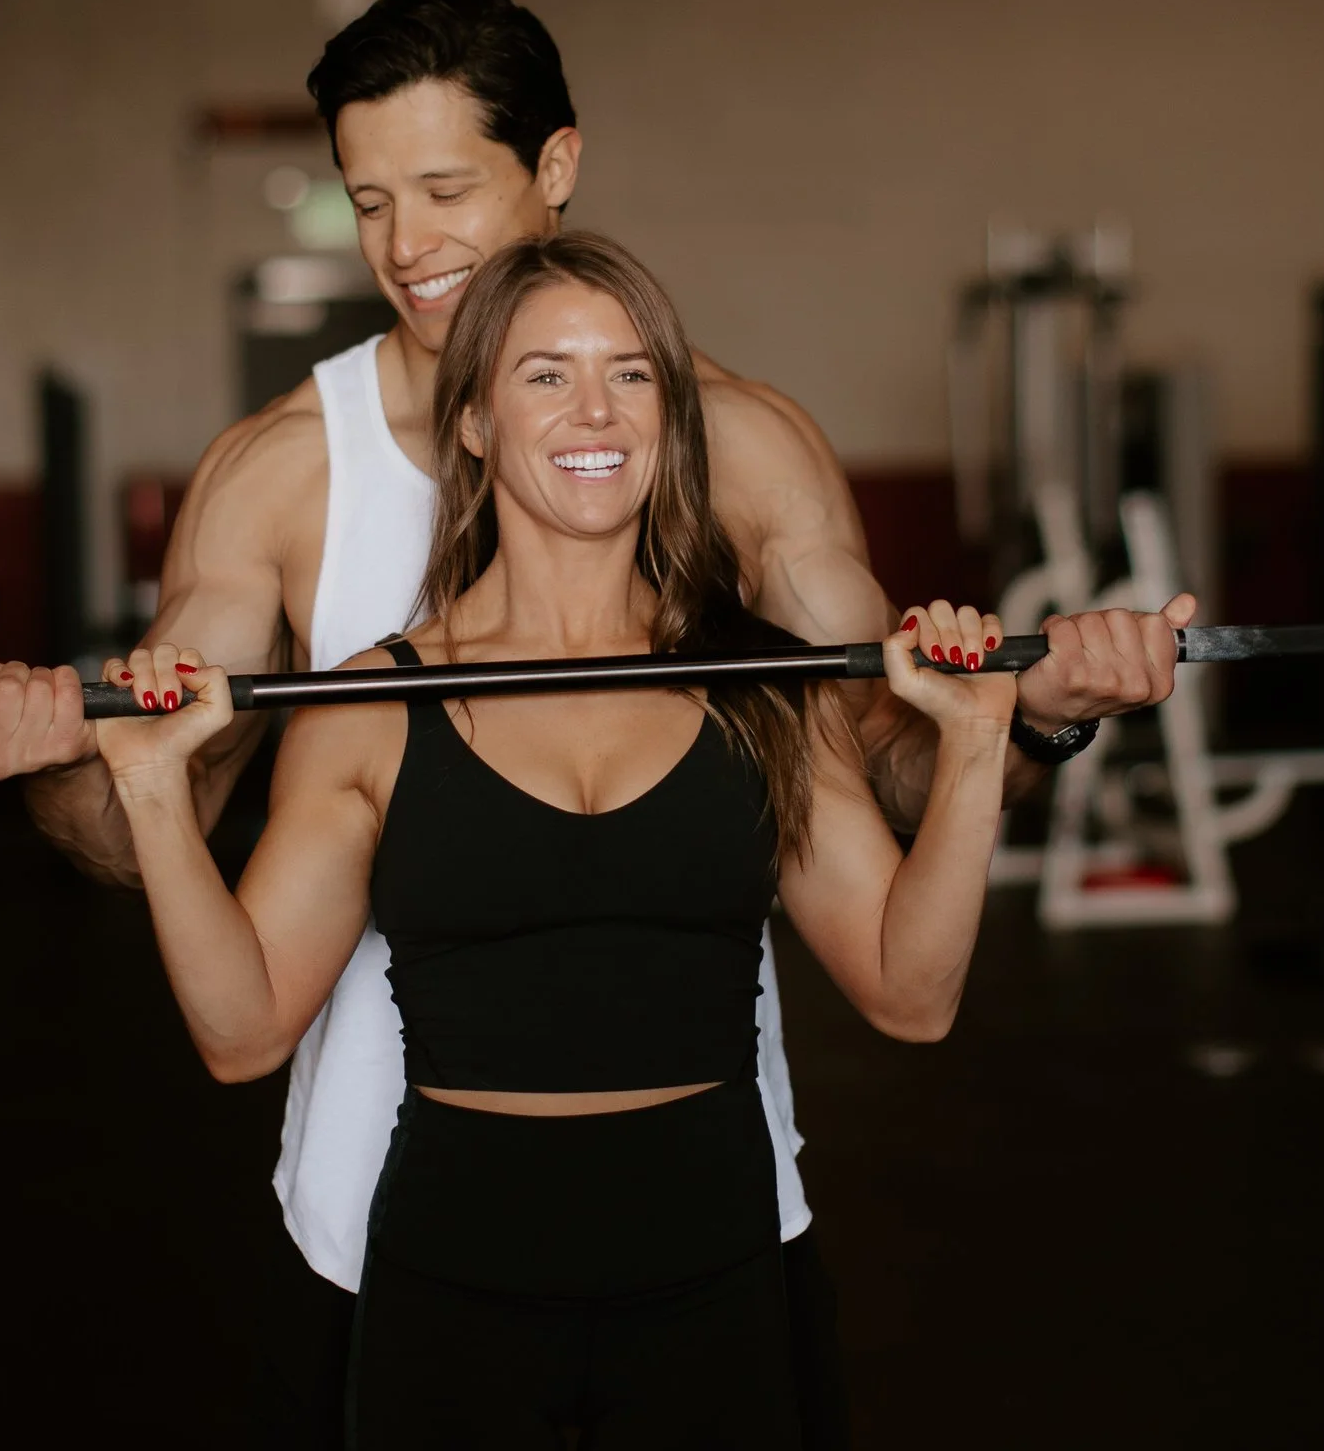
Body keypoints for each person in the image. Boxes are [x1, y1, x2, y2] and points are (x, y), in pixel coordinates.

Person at [0, 0, 1192, 1441]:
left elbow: (886, 773)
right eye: (371, 201)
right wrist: (46, 761)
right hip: (379, 1222)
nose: (407, 247)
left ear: (558, 170)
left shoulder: (744, 455)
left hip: (712, 1209)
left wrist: (1028, 720)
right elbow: (151, 814)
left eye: (448, 188)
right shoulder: (282, 475)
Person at [99, 231, 1034, 1446]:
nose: (595, 408)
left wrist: (972, 741)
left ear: (670, 413)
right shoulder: (369, 707)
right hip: (453, 1281)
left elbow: (912, 991)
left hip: (717, 1269)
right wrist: (157, 791)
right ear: (475, 420)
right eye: (546, 373)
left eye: (633, 372)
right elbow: (243, 1032)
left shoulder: (759, 686)